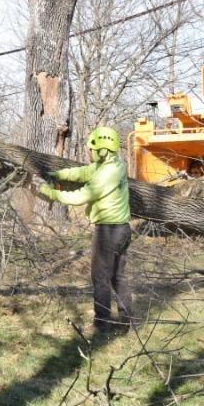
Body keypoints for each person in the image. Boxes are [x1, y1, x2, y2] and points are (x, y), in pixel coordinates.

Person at [38, 126, 135, 335]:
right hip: (121, 229)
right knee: (118, 277)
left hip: (108, 232)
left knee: (101, 278)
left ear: (101, 150)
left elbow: (83, 195)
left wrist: (51, 194)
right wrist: (56, 175)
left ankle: (101, 325)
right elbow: (82, 172)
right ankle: (127, 323)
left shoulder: (107, 173)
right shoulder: (110, 165)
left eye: (91, 149)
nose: (88, 153)